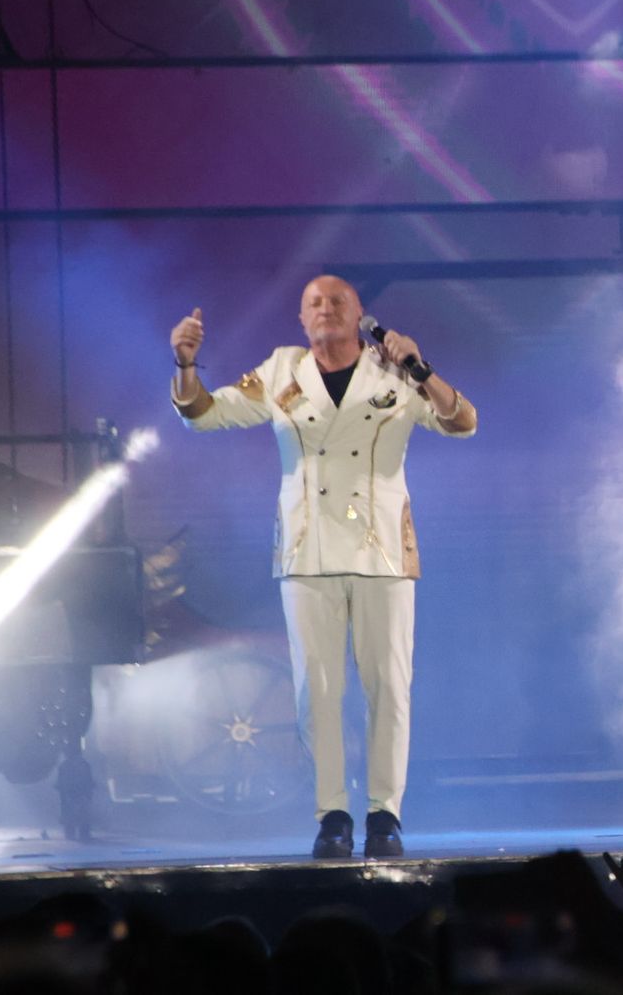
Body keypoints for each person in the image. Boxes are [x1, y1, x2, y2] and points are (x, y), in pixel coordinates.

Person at [170, 275, 477, 858]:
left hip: (383, 549)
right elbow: (205, 414)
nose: (326, 310)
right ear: (301, 318)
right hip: (308, 551)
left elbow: (463, 421)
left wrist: (420, 365)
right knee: (319, 688)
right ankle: (332, 814)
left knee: (389, 686)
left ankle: (385, 815)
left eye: (338, 301)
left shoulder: (395, 373)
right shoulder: (283, 370)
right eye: (314, 303)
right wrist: (188, 365)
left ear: (361, 314)